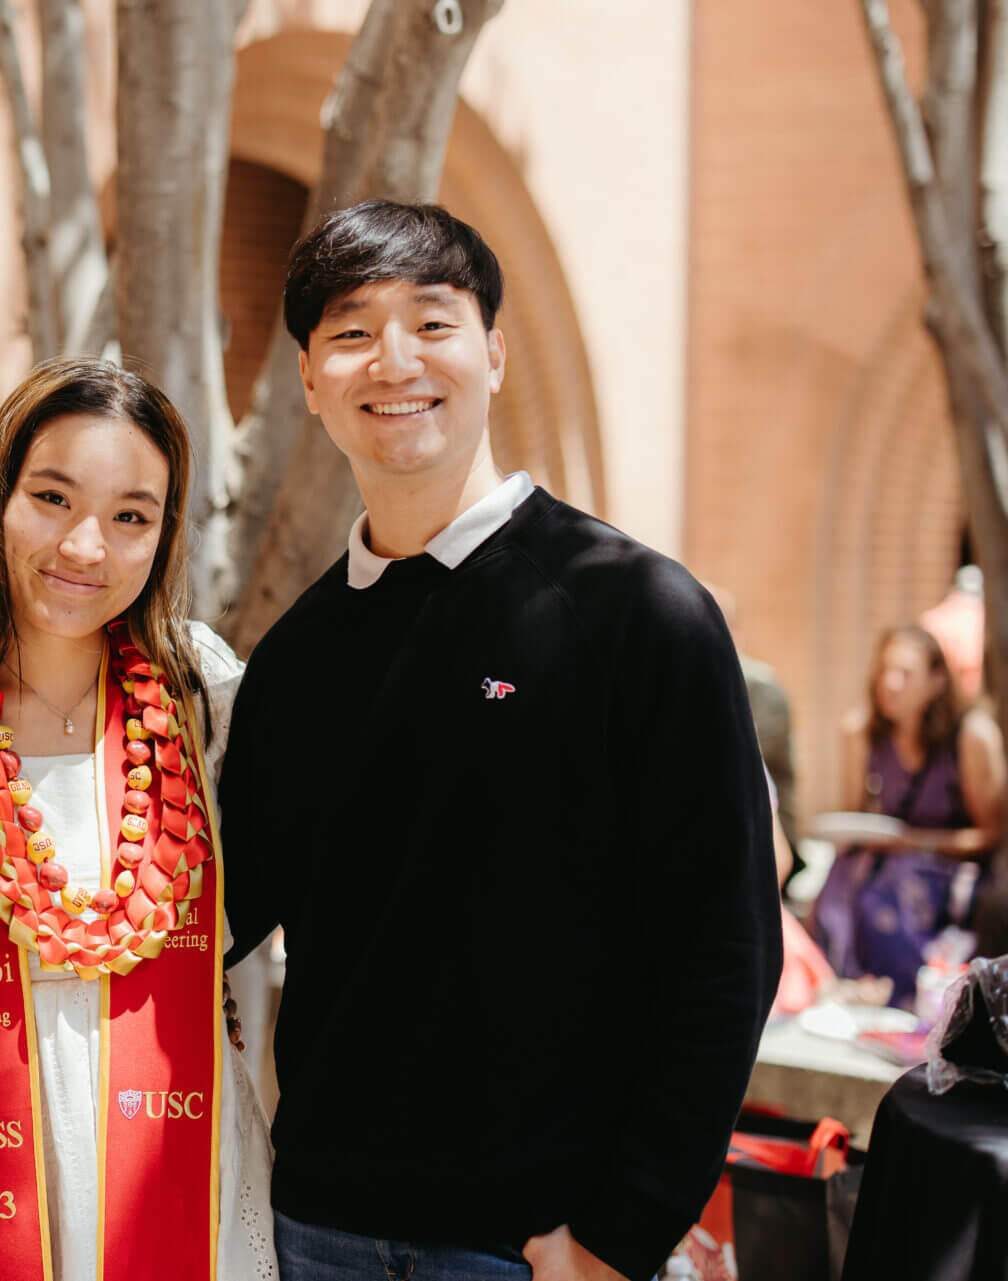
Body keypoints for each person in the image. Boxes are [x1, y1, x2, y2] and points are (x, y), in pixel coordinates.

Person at [216, 201, 781, 1281]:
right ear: (308, 381)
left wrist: (620, 1234)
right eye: (349, 331)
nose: (394, 361)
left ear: (496, 353)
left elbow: (725, 947)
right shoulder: (294, 657)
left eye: (432, 323)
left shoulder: (638, 613)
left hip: (538, 1248)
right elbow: (221, 914)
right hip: (315, 1234)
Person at [0, 357, 276, 1280]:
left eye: (132, 516)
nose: (87, 546)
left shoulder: (201, 696)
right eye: (52, 497)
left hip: (178, 1169)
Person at [813, 624, 1005, 1006]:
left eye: (905, 673)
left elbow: (992, 834)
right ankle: (846, 981)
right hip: (890, 860)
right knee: (842, 874)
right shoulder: (868, 732)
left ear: (936, 681)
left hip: (951, 872)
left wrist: (916, 843)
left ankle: (906, 994)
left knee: (894, 887)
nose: (891, 683)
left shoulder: (971, 736)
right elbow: (855, 816)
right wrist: (854, 743)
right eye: (885, 671)